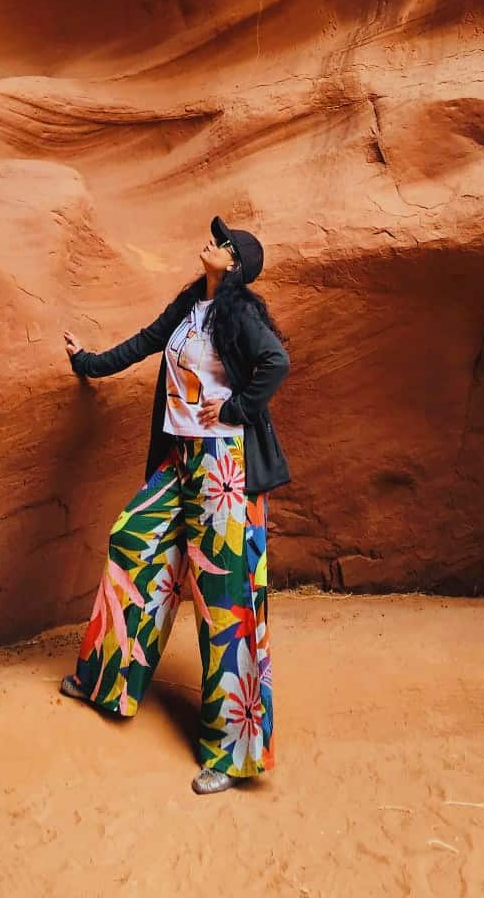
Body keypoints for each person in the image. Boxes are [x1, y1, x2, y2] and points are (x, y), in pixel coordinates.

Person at [60, 213, 291, 795]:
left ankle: (232, 754)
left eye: (222, 243)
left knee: (223, 603)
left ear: (234, 264)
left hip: (225, 472)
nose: (210, 243)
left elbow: (276, 364)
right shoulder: (191, 308)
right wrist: (87, 361)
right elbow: (142, 344)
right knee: (132, 542)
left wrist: (236, 410)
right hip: (182, 459)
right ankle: (106, 679)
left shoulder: (240, 316)